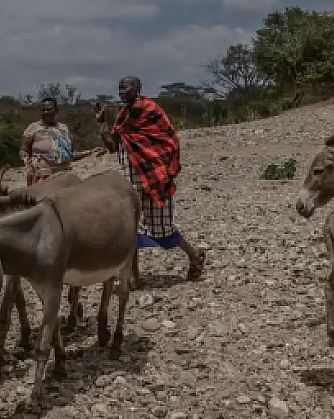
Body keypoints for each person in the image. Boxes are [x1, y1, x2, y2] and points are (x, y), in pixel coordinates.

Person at [95, 75, 206, 281]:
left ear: (137, 88)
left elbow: (168, 139)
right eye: (119, 88)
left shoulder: (149, 110)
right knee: (130, 228)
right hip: (131, 180)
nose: (121, 91)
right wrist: (102, 124)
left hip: (154, 178)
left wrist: (163, 168)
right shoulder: (122, 116)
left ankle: (194, 256)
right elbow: (112, 147)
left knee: (163, 228)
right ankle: (133, 275)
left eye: (125, 87)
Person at [21, 97, 74, 185]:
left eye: (49, 109)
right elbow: (24, 149)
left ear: (56, 110)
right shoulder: (33, 128)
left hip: (63, 172)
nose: (46, 112)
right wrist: (28, 164)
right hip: (42, 173)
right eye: (43, 110)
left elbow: (68, 152)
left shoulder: (63, 128)